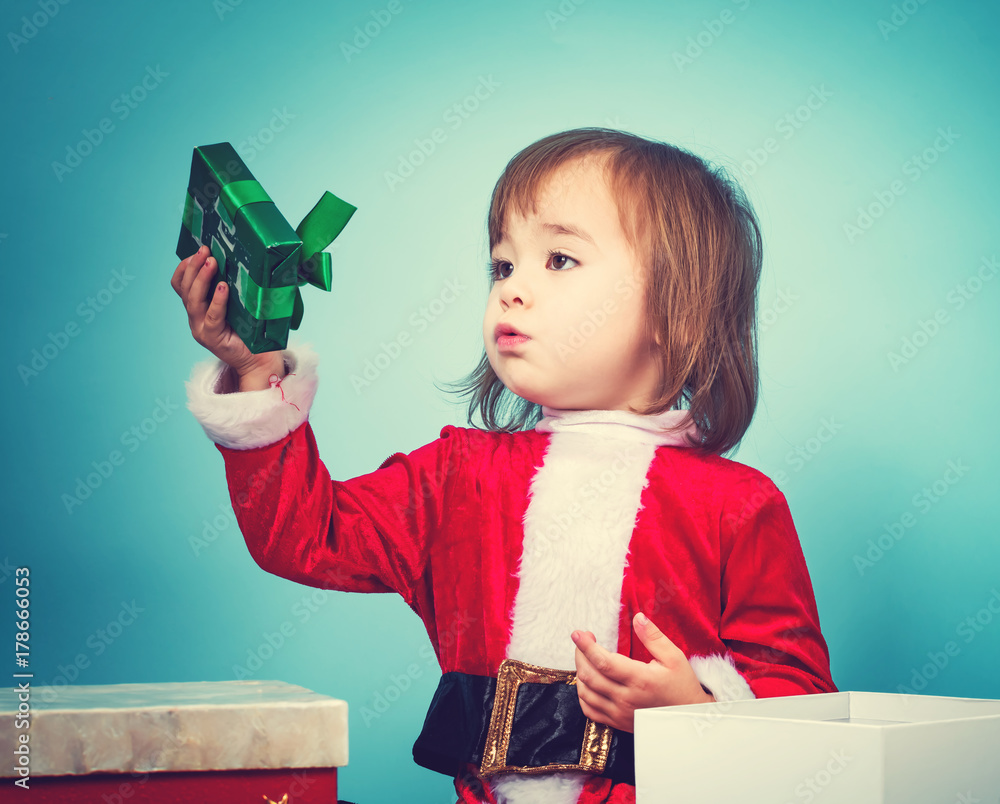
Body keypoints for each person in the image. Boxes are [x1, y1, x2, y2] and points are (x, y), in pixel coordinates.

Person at [171, 127, 837, 804]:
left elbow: (804, 708)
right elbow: (305, 536)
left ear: (675, 307)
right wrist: (256, 372)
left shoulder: (736, 504)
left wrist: (692, 714)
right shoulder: (458, 477)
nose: (512, 290)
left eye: (560, 260)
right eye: (503, 265)